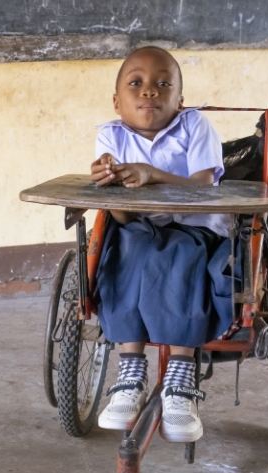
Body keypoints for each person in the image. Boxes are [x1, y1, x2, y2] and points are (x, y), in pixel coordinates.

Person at [89, 46, 236, 443]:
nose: (149, 91)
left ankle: (179, 379)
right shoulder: (111, 136)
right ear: (118, 101)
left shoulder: (194, 126)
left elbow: (205, 186)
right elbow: (118, 215)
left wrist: (152, 174)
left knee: (180, 258)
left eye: (162, 84)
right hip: (139, 226)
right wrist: (110, 187)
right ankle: (131, 373)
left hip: (196, 226)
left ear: (180, 100)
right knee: (124, 254)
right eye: (135, 83)